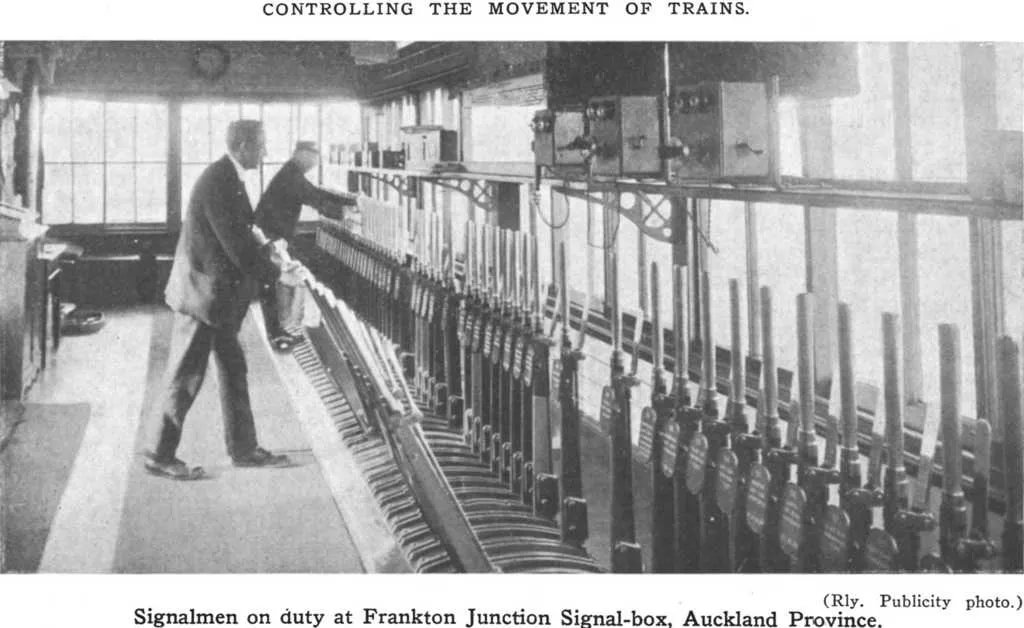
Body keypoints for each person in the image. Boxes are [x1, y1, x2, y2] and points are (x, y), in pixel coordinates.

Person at [144, 120, 307, 480]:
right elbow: (234, 245)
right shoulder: (219, 180)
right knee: (185, 378)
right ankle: (159, 453)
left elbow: (243, 233)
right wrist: (278, 274)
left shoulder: (229, 178)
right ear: (244, 145)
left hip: (218, 298)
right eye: (261, 146)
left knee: (234, 369)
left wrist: (271, 250)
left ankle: (244, 448)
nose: (265, 153)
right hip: (202, 297)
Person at [255, 141, 359, 351]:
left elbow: (314, 192)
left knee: (273, 284)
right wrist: (345, 214)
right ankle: (278, 333)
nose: (314, 164)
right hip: (270, 237)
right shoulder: (291, 176)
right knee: (275, 285)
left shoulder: (291, 172)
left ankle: (280, 331)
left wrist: (349, 202)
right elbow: (313, 198)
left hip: (270, 234)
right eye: (313, 159)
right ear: (301, 155)